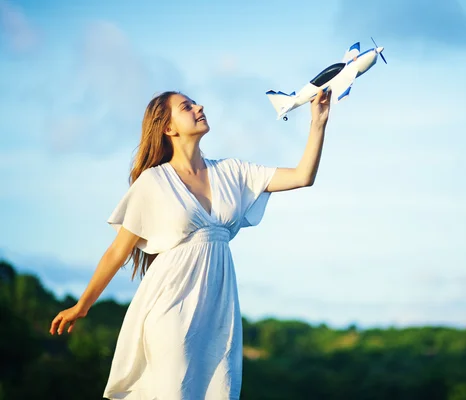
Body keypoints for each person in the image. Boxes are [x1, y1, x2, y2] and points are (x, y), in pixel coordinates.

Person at [49, 88, 332, 399]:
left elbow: (303, 176)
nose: (199, 107)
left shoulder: (232, 172)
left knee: (221, 390)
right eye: (187, 107)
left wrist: (318, 122)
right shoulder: (153, 182)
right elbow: (118, 251)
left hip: (219, 313)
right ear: (169, 128)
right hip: (171, 307)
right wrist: (83, 305)